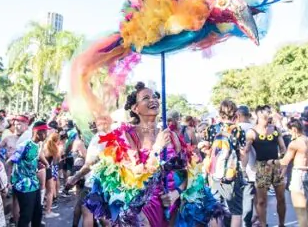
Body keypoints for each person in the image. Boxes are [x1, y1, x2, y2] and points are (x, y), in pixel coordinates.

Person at [84, 82, 224, 226]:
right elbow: (135, 177)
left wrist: (176, 193)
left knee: (214, 220)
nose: (153, 100)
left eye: (154, 96)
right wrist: (157, 148)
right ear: (135, 108)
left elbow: (187, 172)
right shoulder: (127, 136)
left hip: (171, 203)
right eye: (146, 98)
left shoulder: (171, 135)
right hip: (143, 206)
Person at [244, 105, 287, 227]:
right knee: (262, 200)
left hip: (276, 165)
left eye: (268, 115)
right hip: (261, 167)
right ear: (258, 116)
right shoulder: (252, 132)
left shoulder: (275, 129)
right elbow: (246, 151)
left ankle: (281, 224)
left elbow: (283, 148)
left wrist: (283, 163)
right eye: (264, 115)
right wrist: (243, 168)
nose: (266, 118)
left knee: (281, 198)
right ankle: (263, 224)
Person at [7, 121, 50, 227]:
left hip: (33, 184)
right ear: (37, 132)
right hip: (23, 185)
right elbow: (10, 162)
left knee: (37, 213)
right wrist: (8, 181)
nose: (46, 134)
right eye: (45, 132)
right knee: (26, 215)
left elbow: (35, 157)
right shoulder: (25, 145)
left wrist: (41, 164)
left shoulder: (38, 145)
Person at [279, 118, 308, 227]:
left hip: (300, 174)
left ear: (294, 129)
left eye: (290, 130)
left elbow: (285, 162)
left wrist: (271, 161)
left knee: (301, 213)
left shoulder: (295, 143)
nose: (290, 133)